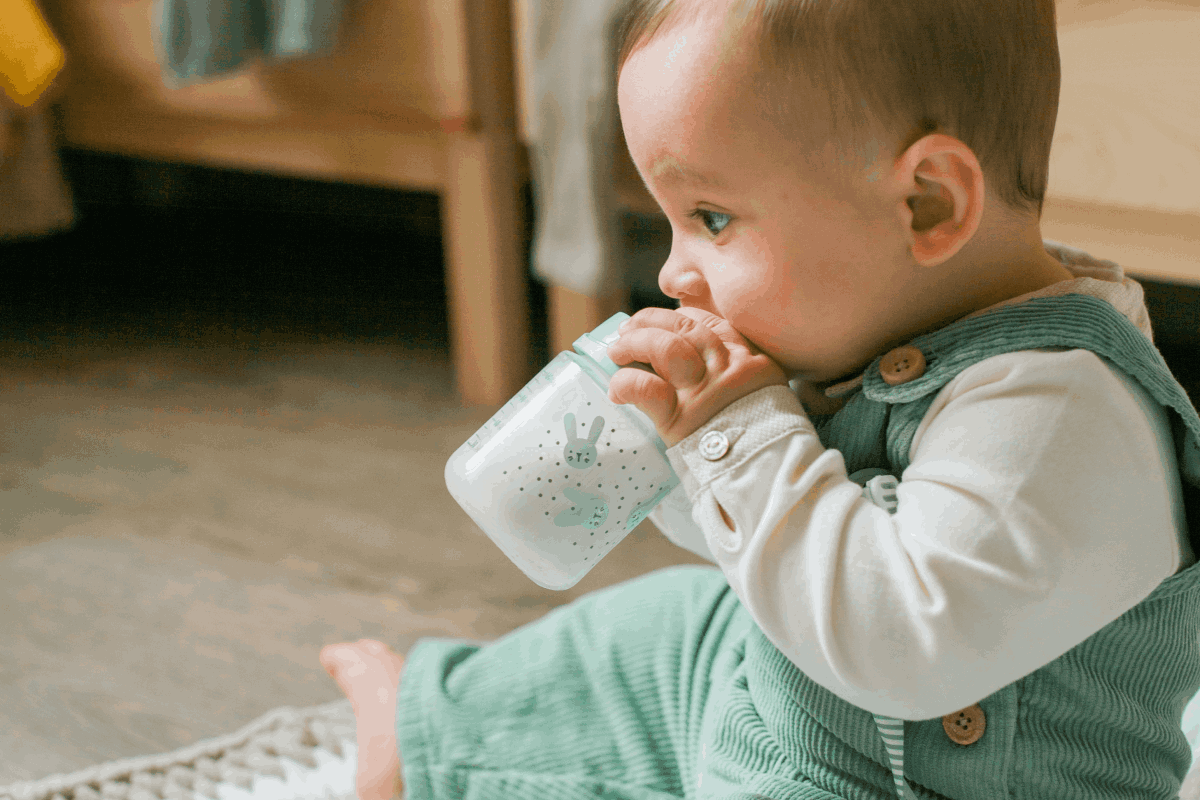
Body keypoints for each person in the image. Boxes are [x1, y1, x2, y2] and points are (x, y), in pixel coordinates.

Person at [320, 0, 1200, 797]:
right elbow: (770, 554)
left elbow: (904, 644)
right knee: (663, 634)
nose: (671, 271)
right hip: (788, 722)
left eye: (711, 217)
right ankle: (434, 731)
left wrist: (735, 435)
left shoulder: (1057, 410)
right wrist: (671, 450)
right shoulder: (869, 330)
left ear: (927, 203)